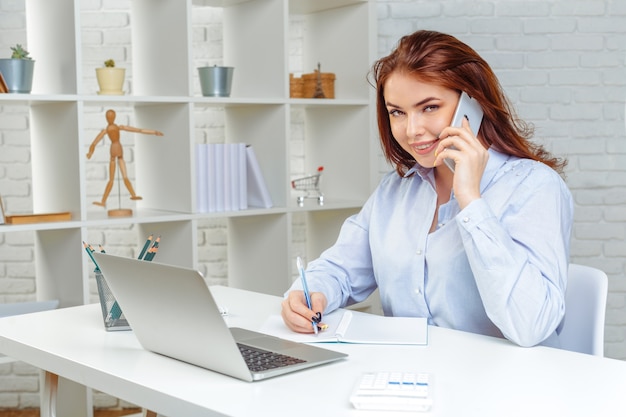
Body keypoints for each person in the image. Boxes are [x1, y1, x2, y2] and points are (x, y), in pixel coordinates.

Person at [281, 30, 573, 348]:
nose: (412, 130)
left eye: (430, 107)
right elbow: (340, 268)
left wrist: (471, 202)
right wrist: (308, 294)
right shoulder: (395, 191)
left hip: (506, 387)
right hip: (413, 381)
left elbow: (532, 325)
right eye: (397, 112)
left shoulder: (535, 187)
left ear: (471, 105)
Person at [86, 109, 163, 207]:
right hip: (118, 148)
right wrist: (154, 132)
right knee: (120, 177)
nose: (109, 118)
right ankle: (129, 196)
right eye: (109, 117)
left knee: (115, 178)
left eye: (110, 117)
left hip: (115, 149)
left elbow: (94, 143)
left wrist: (90, 152)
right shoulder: (117, 127)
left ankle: (108, 200)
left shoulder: (107, 130)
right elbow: (138, 130)